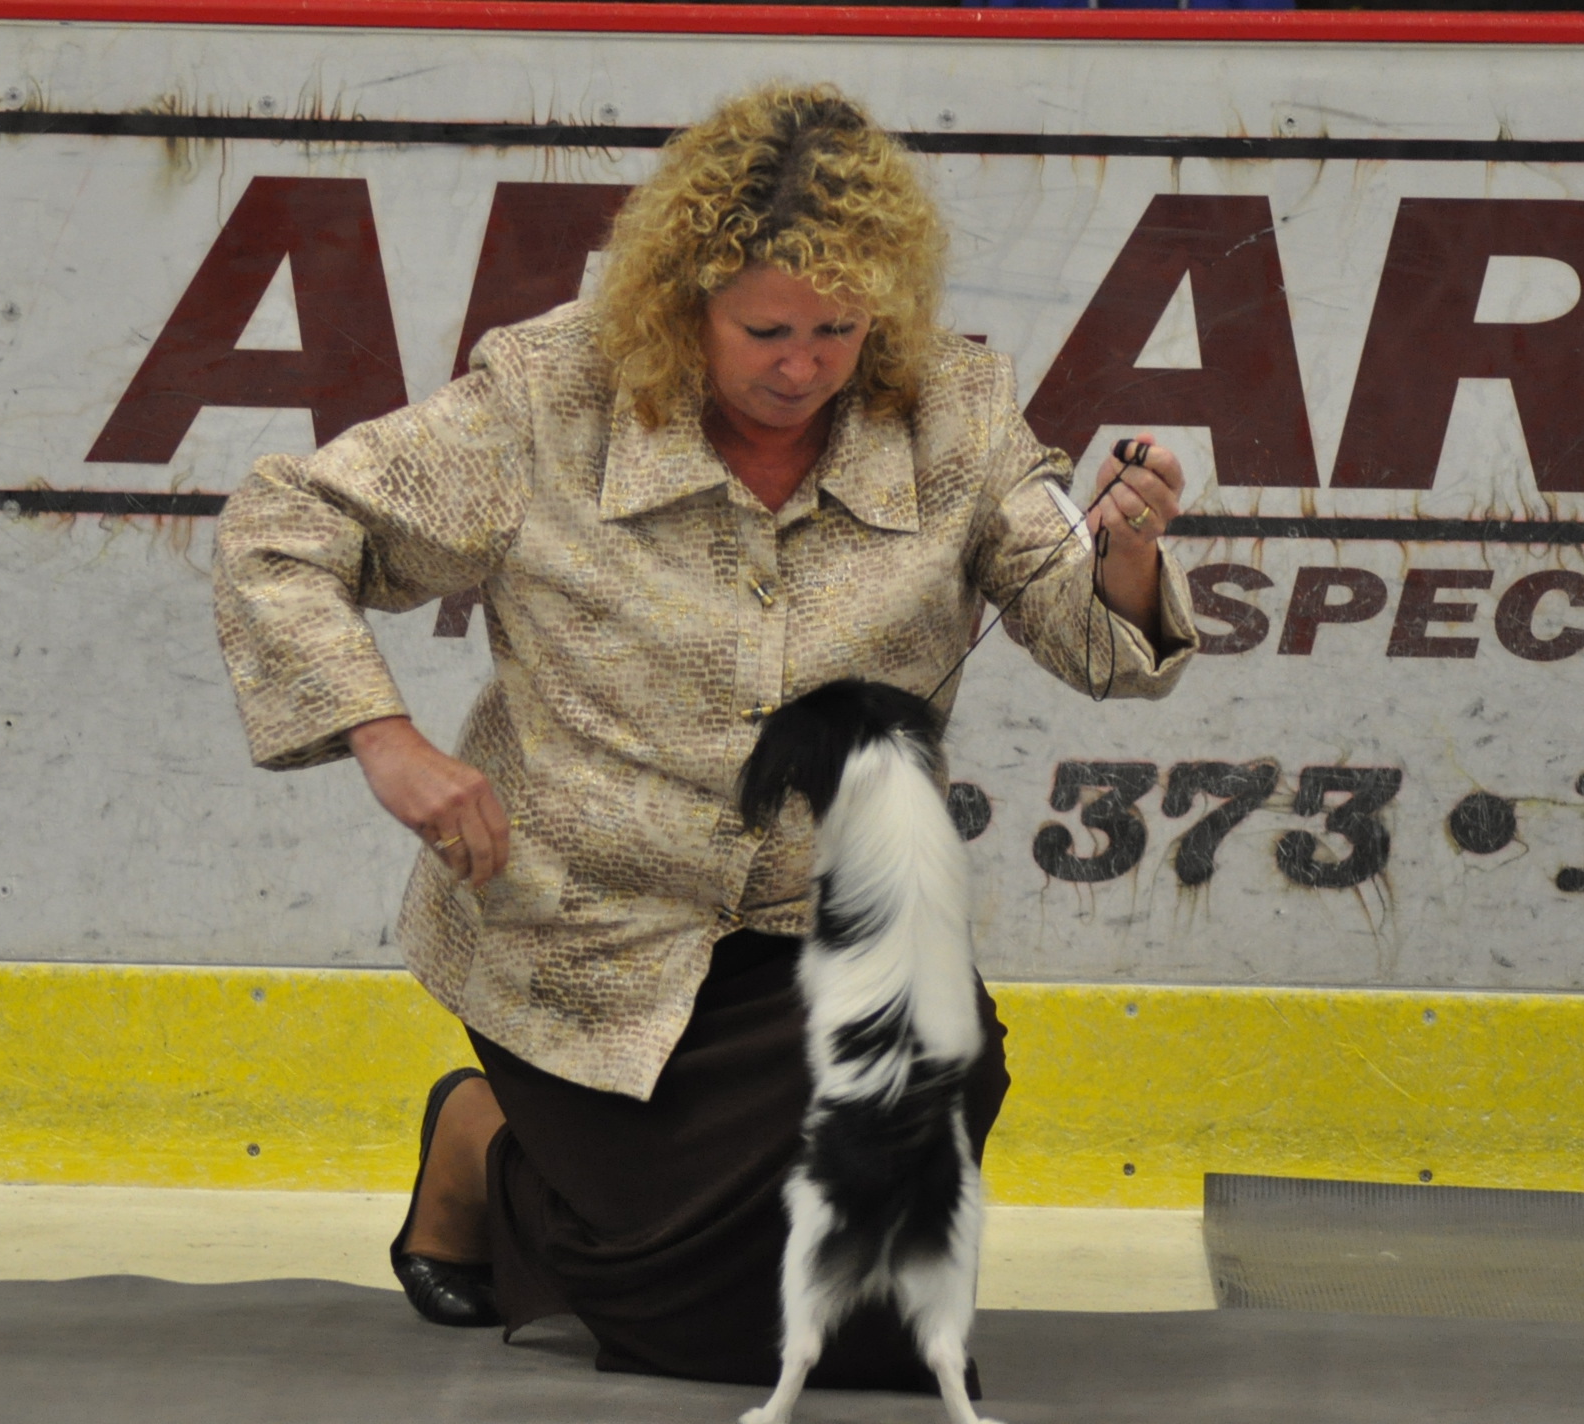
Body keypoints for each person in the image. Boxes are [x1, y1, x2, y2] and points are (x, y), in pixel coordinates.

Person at [212, 82, 1197, 1390]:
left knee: (878, 1290)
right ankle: (489, 1152)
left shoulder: (954, 415)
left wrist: (1125, 552)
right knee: (736, 1331)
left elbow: (1089, 639)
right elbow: (283, 528)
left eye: (838, 329)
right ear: (685, 303)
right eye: (765, 330)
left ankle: (511, 1159)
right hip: (579, 936)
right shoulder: (549, 397)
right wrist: (386, 739)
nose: (802, 366)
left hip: (821, 923)